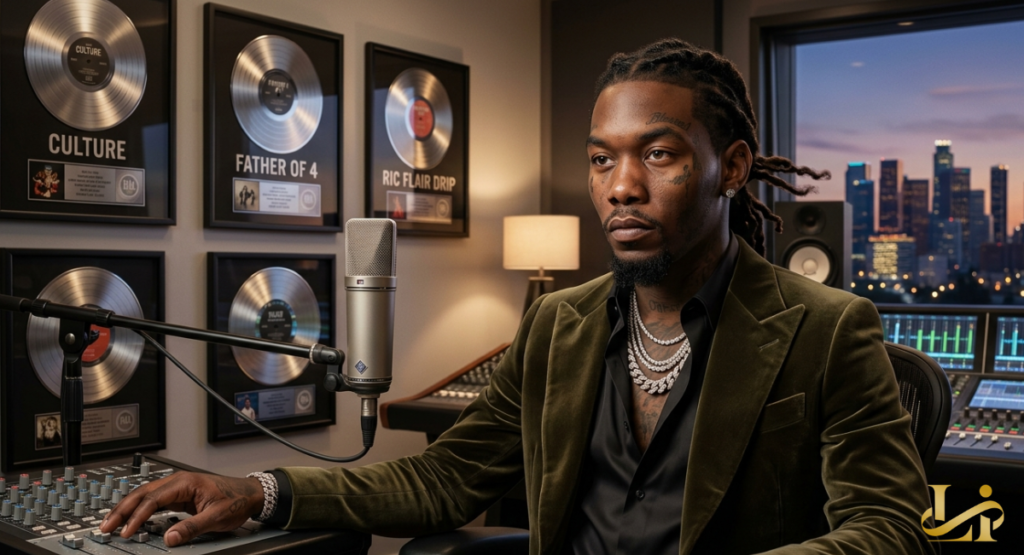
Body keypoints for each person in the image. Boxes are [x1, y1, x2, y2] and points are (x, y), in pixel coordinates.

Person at [101, 39, 935, 554]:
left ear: (733, 168)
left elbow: (889, 528)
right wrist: (262, 490)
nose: (621, 186)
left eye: (659, 154)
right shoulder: (556, 323)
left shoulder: (829, 328)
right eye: (602, 159)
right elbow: (445, 478)